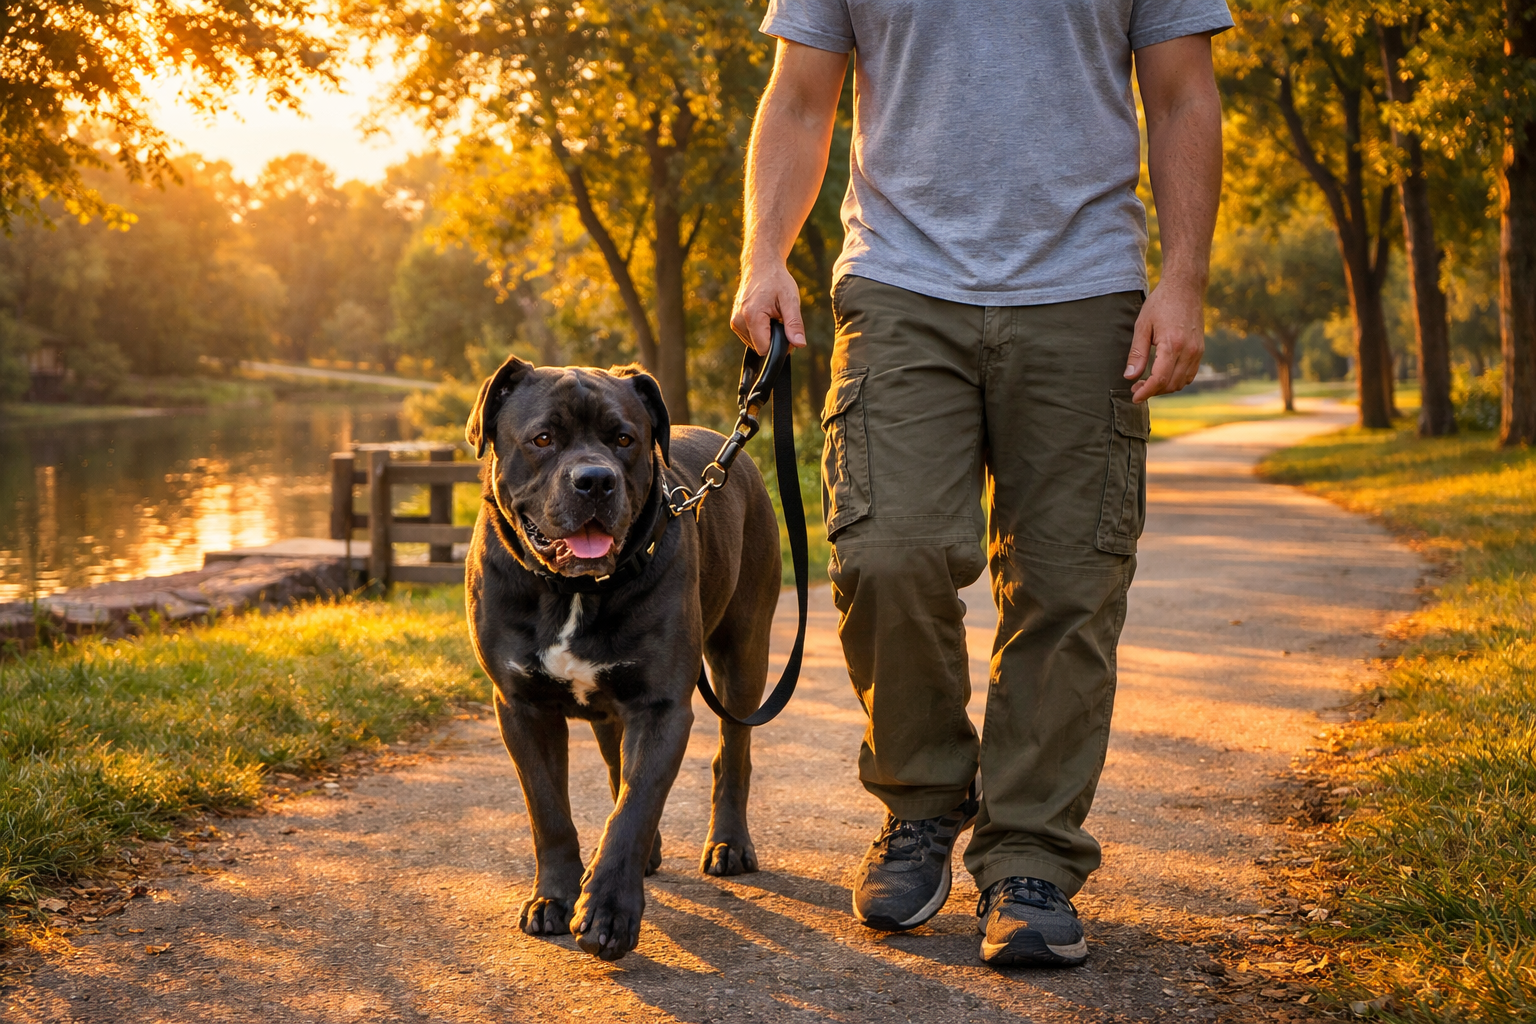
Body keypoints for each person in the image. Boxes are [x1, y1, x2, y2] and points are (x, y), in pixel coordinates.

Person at [730, 0, 1231, 967]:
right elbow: (799, 98)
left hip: (1087, 291)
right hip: (900, 280)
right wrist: (765, 256)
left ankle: (1030, 859)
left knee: (1068, 583)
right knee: (887, 551)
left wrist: (1184, 278)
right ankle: (921, 805)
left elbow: (1180, 95)